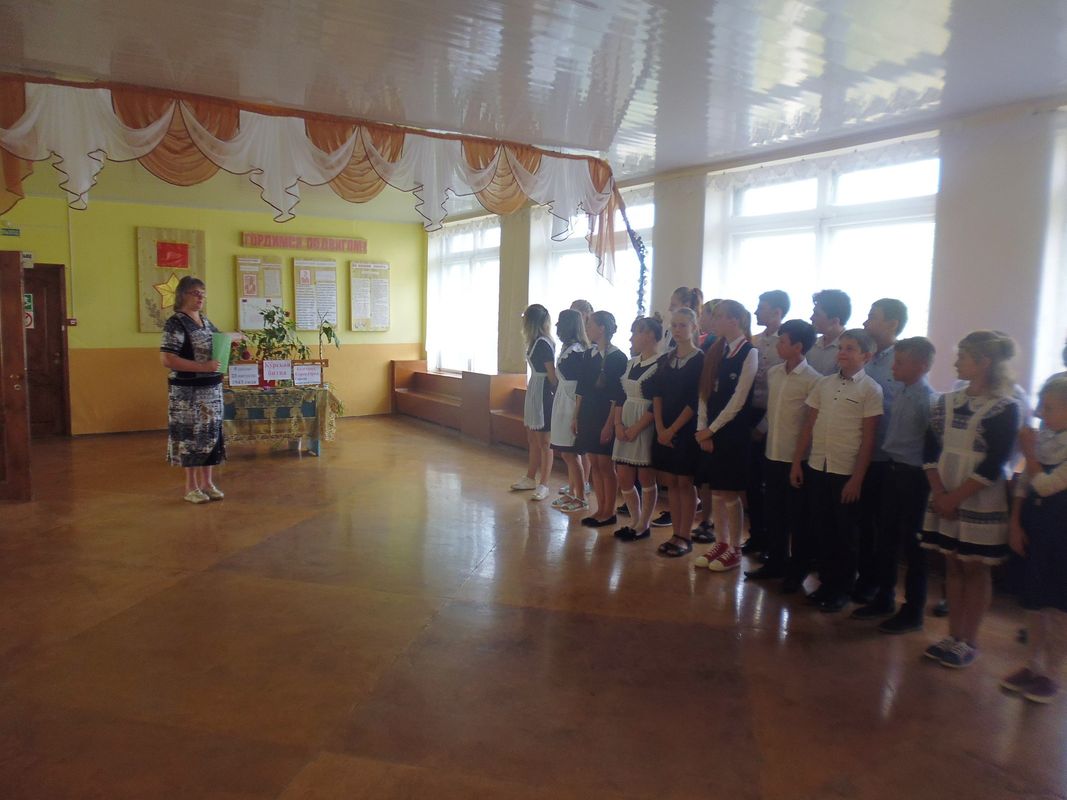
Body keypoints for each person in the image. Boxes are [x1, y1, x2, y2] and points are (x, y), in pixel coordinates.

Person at [920, 331, 1020, 669]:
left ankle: (969, 640)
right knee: (952, 564)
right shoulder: (945, 402)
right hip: (945, 491)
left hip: (978, 498)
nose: (956, 363)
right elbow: (929, 450)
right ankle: (952, 635)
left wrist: (955, 498)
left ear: (984, 362)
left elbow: (994, 463)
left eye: (962, 357)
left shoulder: (1005, 407)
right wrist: (940, 493)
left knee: (975, 567)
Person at [791, 328, 884, 612]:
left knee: (846, 535)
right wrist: (797, 462)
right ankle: (826, 584)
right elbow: (809, 425)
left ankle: (842, 589)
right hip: (818, 465)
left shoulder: (870, 390)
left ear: (866, 356)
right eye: (841, 347)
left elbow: (869, 439)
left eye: (850, 348)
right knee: (823, 530)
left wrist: (856, 479)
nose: (842, 353)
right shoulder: (824, 384)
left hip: (846, 472)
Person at [852, 337, 938, 631]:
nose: (893, 367)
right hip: (893, 470)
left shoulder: (928, 400)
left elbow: (932, 446)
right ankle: (884, 597)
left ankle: (913, 610)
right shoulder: (900, 390)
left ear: (921, 366)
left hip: (915, 477)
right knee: (885, 539)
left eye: (900, 363)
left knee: (914, 546)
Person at [1003, 377, 1067, 703]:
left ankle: (1052, 674)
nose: (1040, 413)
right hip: (1034, 526)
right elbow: (1025, 485)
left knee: (1057, 607)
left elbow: (1046, 485)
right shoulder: (1042, 438)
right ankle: (1031, 665)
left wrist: (1029, 451)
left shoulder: (1039, 446)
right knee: (1033, 602)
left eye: (1049, 407)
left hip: (1061, 532)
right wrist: (1015, 523)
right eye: (1040, 405)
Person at [744, 319, 820, 589]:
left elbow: (810, 424)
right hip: (771, 453)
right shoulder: (775, 373)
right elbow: (771, 410)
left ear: (798, 346)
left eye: (783, 341)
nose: (778, 345)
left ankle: (797, 571)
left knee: (797, 518)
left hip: (796, 459)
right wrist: (760, 431)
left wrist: (799, 460)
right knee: (773, 512)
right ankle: (775, 562)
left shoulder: (813, 380)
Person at [693, 300, 758, 571]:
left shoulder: (749, 352)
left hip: (732, 433)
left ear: (736, 320)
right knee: (717, 491)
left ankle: (735, 548)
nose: (714, 320)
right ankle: (720, 542)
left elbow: (738, 400)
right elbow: (704, 393)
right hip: (711, 432)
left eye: (720, 316)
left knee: (730, 492)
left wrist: (711, 429)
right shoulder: (716, 350)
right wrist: (702, 429)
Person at [852, 299, 907, 606]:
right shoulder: (867, 357)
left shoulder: (902, 360)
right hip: (860, 451)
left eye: (873, 317)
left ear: (892, 324)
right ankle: (863, 578)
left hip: (888, 456)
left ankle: (881, 588)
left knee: (884, 527)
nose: (866, 322)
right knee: (862, 522)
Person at [159, 276, 226, 504]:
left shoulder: (205, 321)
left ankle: (208, 483)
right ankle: (191, 487)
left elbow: (218, 342)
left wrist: (231, 342)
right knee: (191, 439)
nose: (200, 298)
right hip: (187, 394)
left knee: (210, 436)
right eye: (195, 293)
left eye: (203, 294)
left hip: (211, 391)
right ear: (182, 295)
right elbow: (167, 359)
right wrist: (203, 367)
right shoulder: (176, 323)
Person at [650, 307, 705, 557]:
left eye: (683, 325)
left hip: (685, 429)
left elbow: (695, 401)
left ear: (694, 327)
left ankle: (685, 535)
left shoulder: (700, 360)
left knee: (685, 481)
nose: (678, 330)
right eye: (674, 325)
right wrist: (660, 427)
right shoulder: (666, 359)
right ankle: (675, 532)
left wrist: (672, 429)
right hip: (664, 428)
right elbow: (657, 394)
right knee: (671, 481)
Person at [743, 290, 789, 557]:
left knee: (771, 485)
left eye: (762, 308)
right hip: (751, 411)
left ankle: (774, 542)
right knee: (751, 481)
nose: (756, 312)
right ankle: (756, 534)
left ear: (777, 312)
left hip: (775, 415)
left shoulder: (787, 342)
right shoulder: (755, 341)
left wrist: (764, 425)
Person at [612, 315, 663, 540]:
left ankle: (644, 524)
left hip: (645, 424)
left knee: (645, 476)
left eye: (636, 332)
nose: (632, 337)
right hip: (625, 420)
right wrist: (618, 424)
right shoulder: (631, 363)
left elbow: (657, 402)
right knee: (623, 475)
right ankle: (635, 519)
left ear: (650, 335)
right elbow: (620, 396)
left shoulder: (661, 364)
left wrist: (636, 428)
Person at [574, 311, 627, 527]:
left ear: (602, 328)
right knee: (594, 462)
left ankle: (609, 510)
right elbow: (581, 388)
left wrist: (609, 424)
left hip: (605, 414)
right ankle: (600, 508)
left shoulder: (618, 357)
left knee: (605, 464)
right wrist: (576, 416)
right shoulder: (589, 354)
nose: (587, 329)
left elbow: (617, 395)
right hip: (588, 412)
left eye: (591, 325)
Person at [510, 305, 556, 501]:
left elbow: (552, 375)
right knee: (532, 438)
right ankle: (530, 477)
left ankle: (544, 483)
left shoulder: (544, 344)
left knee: (545, 441)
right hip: (535, 389)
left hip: (543, 392)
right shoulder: (534, 342)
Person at [549, 309, 591, 513]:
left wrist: (576, 414)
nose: (557, 326)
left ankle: (581, 497)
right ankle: (573, 491)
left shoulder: (577, 352)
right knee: (566, 452)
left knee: (570, 453)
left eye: (560, 322)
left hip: (570, 402)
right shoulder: (569, 349)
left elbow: (580, 385)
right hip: (563, 400)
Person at [691, 298, 723, 542]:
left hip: (717, 416)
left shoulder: (720, 345)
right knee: (702, 474)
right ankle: (706, 518)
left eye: (704, 314)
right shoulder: (706, 342)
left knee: (715, 476)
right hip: (702, 413)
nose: (700, 318)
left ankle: (713, 523)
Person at [807, 289, 851, 376]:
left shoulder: (850, 350)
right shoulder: (812, 344)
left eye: (816, 314)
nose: (811, 318)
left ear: (834, 321)